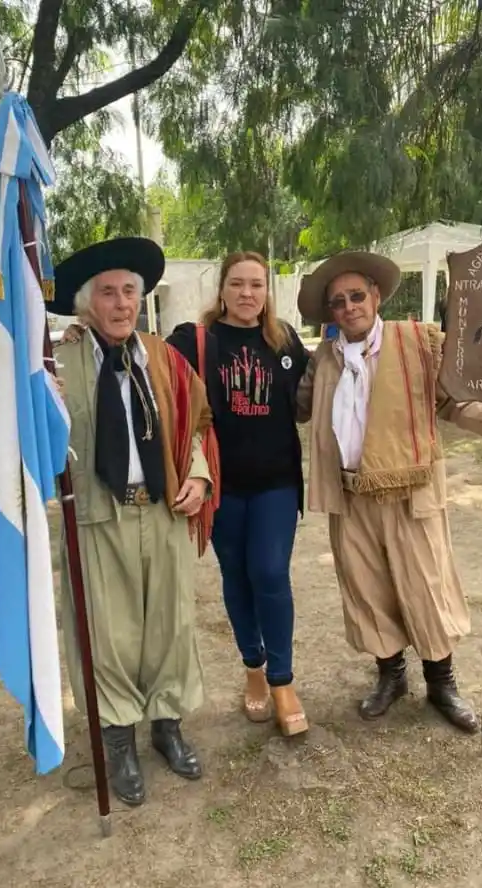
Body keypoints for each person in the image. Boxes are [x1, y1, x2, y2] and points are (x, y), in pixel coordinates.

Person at [296, 250, 482, 734]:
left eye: (357, 295)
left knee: (425, 584)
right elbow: (295, 406)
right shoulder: (324, 357)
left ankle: (441, 684)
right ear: (331, 313)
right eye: (338, 302)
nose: (349, 306)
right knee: (367, 589)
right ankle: (391, 676)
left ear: (376, 296)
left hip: (410, 490)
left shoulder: (417, 342)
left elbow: (453, 401)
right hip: (350, 493)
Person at [50, 237, 216, 807]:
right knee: (109, 635)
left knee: (170, 625)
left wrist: (196, 475)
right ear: (85, 304)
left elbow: (196, 421)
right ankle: (117, 740)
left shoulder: (165, 358)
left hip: (164, 509)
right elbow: (36, 443)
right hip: (98, 519)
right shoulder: (58, 366)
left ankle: (167, 726)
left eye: (129, 292)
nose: (121, 304)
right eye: (108, 293)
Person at [167, 252, 311, 737]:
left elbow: (322, 388)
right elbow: (143, 360)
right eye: (238, 284)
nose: (248, 293)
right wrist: (86, 332)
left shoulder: (285, 341)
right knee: (238, 577)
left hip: (276, 483)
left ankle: (282, 681)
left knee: (270, 572)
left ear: (267, 292)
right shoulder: (195, 341)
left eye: (257, 285)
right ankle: (252, 666)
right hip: (221, 486)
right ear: (222, 289)